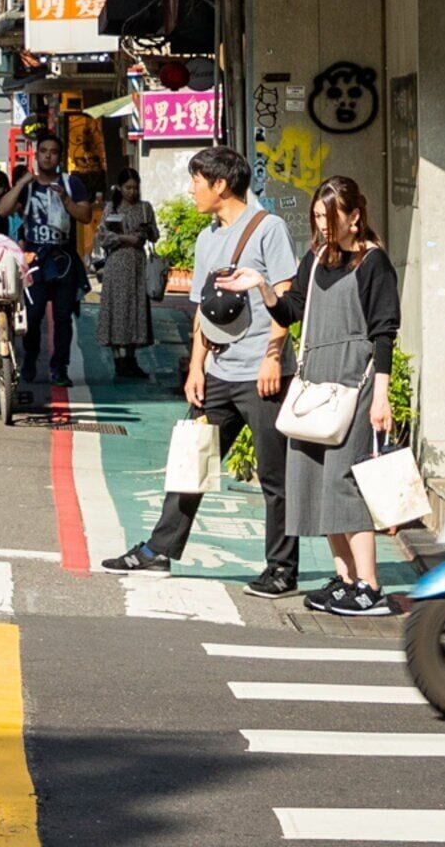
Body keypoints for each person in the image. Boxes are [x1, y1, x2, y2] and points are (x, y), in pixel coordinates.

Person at [99, 146, 304, 597]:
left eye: (196, 180)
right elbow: (201, 313)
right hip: (217, 373)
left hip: (263, 374)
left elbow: (285, 299)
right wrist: (196, 367)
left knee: (275, 475)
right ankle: (158, 550)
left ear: (221, 184)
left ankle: (282, 569)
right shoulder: (208, 237)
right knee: (191, 461)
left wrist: (273, 356)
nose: (190, 188)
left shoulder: (269, 229)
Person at [245, 176, 403, 616]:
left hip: (356, 379)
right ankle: (345, 578)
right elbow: (291, 309)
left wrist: (382, 396)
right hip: (316, 381)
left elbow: (384, 332)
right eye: (317, 218)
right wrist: (261, 287)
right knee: (315, 480)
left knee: (345, 482)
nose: (322, 227)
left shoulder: (374, 264)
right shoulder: (315, 259)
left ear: (355, 217)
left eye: (330, 218)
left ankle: (370, 586)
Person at [10, 135, 85, 400]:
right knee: (32, 316)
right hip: (35, 263)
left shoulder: (70, 183)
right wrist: (20, 183)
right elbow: (5, 209)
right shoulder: (29, 187)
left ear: (60, 156)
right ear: (36, 155)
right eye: (43, 151)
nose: (48, 156)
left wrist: (66, 199)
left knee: (63, 318)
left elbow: (85, 216)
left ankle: (59, 367)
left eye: (53, 152)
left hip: (63, 261)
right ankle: (30, 357)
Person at [93, 172, 158, 381]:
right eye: (128, 187)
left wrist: (147, 232)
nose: (132, 192)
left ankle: (131, 358)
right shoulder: (111, 209)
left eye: (135, 187)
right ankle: (118, 359)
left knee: (136, 309)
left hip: (138, 265)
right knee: (117, 309)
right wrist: (126, 238)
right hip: (117, 264)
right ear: (120, 188)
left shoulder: (145, 208)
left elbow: (155, 235)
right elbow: (103, 236)